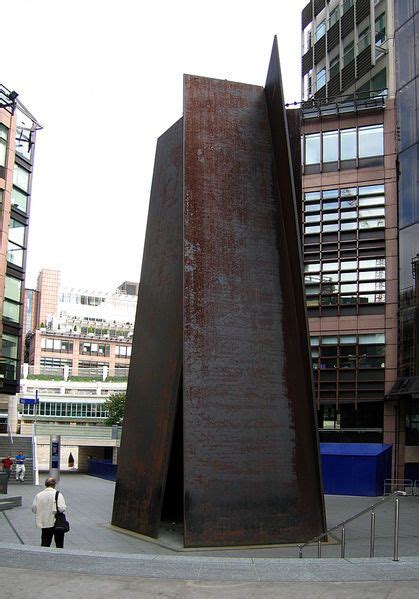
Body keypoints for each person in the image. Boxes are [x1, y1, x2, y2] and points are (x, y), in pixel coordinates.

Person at [32, 477, 67, 548]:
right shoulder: (58, 494)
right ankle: (59, 556)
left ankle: (44, 556)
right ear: (54, 485)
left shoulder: (39, 495)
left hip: (45, 522)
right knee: (59, 544)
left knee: (45, 542)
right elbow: (61, 509)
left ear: (45, 484)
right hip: (57, 523)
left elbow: (34, 509)